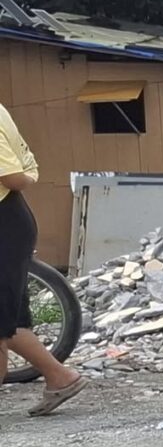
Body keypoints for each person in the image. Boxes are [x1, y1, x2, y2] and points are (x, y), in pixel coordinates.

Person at [1, 101, 83, 416]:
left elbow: (13, 176)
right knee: (11, 321)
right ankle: (60, 376)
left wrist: (28, 178)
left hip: (4, 223)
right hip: (12, 218)